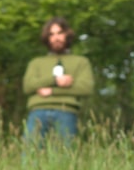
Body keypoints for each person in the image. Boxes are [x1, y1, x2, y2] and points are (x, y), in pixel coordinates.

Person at [22, 17, 95, 147]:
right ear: (47, 38)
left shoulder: (80, 61)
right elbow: (28, 86)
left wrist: (51, 90)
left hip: (66, 110)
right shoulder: (36, 62)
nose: (56, 38)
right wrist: (55, 80)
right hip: (37, 111)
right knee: (30, 154)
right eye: (51, 34)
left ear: (67, 34)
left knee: (66, 155)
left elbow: (86, 87)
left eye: (59, 33)